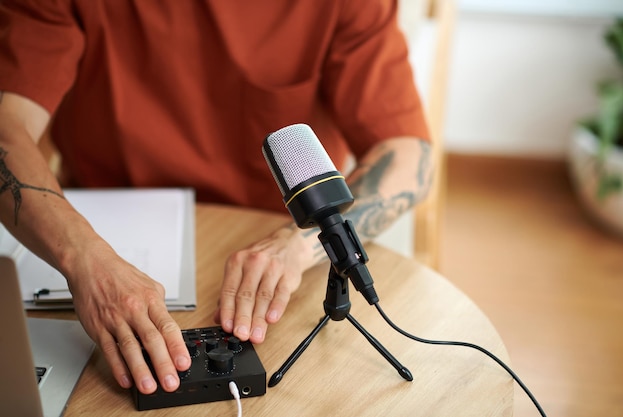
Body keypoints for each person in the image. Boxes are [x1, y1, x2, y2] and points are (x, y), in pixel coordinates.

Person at [0, 0, 432, 397]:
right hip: (87, 248)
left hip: (274, 262)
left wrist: (299, 245)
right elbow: (6, 129)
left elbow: (411, 154)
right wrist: (83, 259)